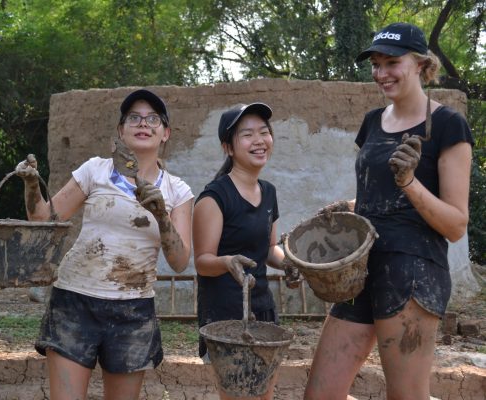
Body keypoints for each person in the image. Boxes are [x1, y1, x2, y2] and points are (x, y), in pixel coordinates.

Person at [304, 22, 474, 400]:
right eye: (376, 64)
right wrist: (345, 209)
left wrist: (410, 182)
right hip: (360, 271)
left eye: (391, 63)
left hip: (412, 273)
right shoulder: (371, 123)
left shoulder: (448, 125)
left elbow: (456, 224)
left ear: (420, 64)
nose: (381, 73)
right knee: (320, 394)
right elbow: (378, 200)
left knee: (406, 396)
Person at [15, 89, 194, 400]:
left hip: (133, 311)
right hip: (75, 301)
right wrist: (32, 185)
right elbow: (44, 220)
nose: (143, 124)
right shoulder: (95, 170)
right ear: (120, 130)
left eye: (153, 119)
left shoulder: (177, 190)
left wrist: (162, 217)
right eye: (133, 118)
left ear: (166, 133)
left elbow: (180, 261)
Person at [193, 103, 300, 400]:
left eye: (264, 132)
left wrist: (291, 263)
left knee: (264, 393)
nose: (259, 141)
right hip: (225, 314)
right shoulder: (214, 197)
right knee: (237, 395)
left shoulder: (269, 192)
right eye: (247, 135)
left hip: (262, 308)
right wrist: (228, 262)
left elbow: (268, 249)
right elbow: (202, 262)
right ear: (228, 147)